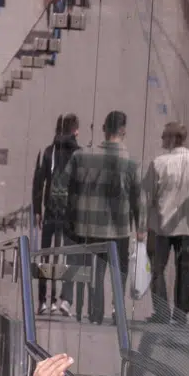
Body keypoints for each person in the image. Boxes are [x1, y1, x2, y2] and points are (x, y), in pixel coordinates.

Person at [51, 110, 142, 325]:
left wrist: (71, 211)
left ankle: (94, 311)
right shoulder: (130, 163)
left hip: (85, 227)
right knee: (116, 271)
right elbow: (139, 200)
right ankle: (113, 311)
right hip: (117, 230)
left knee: (94, 271)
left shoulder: (81, 156)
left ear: (103, 129)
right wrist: (141, 227)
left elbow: (58, 188)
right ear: (123, 131)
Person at [143, 122, 189, 324]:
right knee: (184, 267)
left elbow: (146, 197)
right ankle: (181, 314)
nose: (162, 140)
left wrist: (145, 223)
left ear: (173, 139)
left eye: (164, 136)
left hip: (162, 226)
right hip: (188, 226)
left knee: (158, 269)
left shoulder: (159, 164)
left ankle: (162, 312)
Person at [31, 113, 80, 315]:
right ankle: (64, 300)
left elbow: (38, 182)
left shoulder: (48, 152)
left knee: (46, 255)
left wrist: (37, 210)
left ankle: (44, 301)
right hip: (70, 215)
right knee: (68, 257)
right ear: (75, 130)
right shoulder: (79, 153)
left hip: (50, 212)